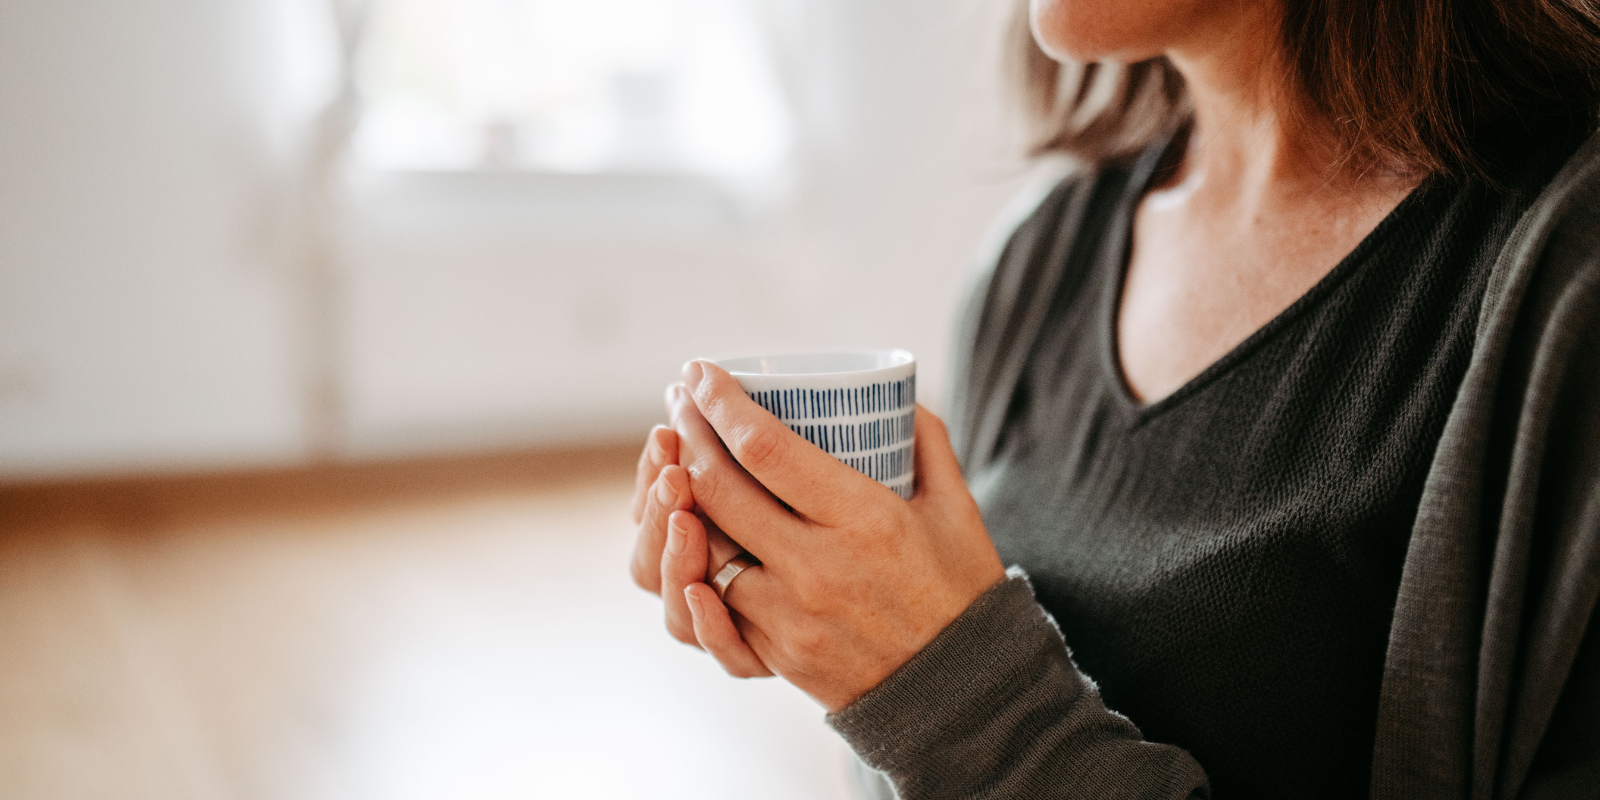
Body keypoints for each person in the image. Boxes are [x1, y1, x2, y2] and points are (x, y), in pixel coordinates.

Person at [629, 0, 1600, 796]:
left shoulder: (1564, 277)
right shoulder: (1040, 256)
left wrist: (949, 692)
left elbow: (960, 716)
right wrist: (859, 652)